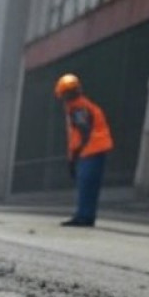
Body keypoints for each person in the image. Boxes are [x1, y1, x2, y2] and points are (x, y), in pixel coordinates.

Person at [55, 73, 113, 227]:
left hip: (90, 151)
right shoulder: (82, 106)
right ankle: (86, 215)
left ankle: (84, 216)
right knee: (88, 184)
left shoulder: (78, 108)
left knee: (86, 183)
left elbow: (83, 133)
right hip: (93, 150)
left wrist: (74, 156)